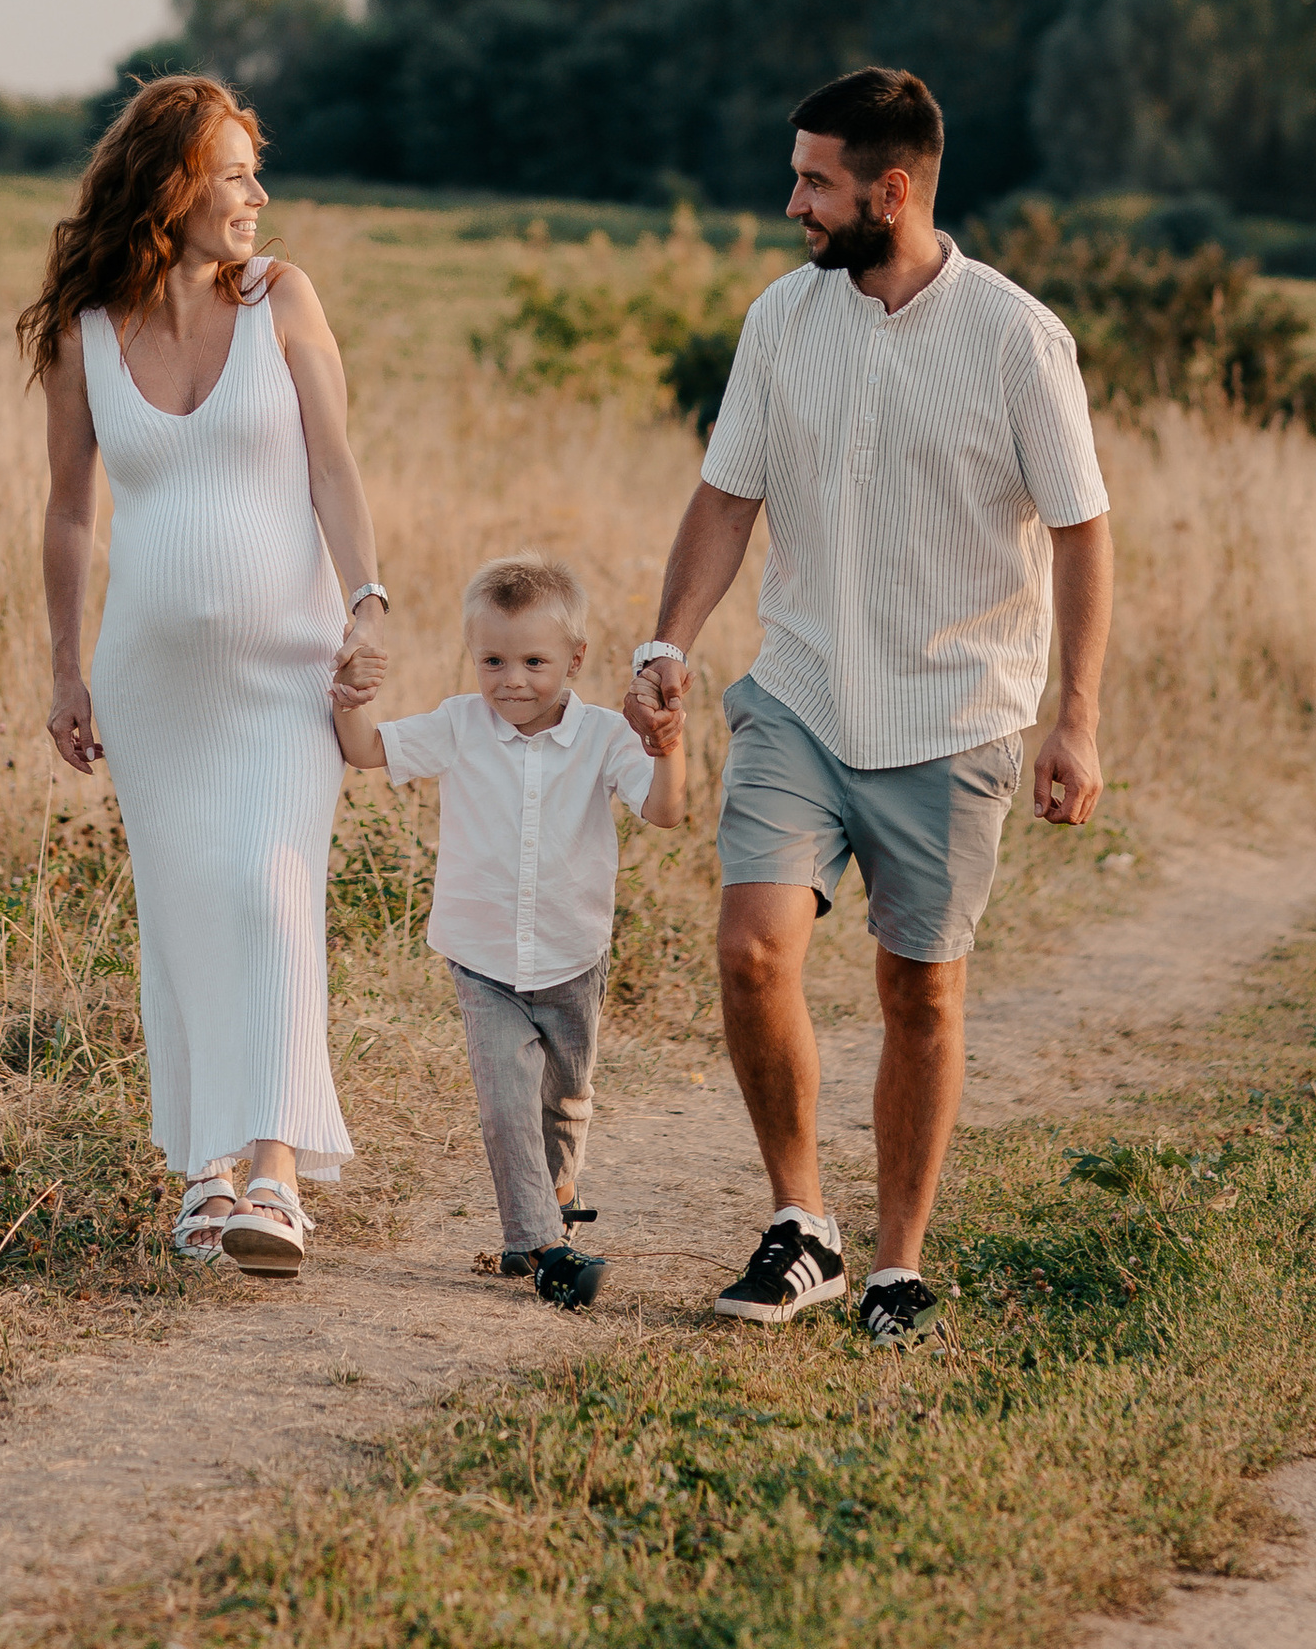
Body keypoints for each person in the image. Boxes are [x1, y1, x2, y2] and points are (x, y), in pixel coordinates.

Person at [626, 66, 1113, 1351]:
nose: (791, 202)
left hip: (955, 715)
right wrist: (668, 639)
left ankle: (895, 1262)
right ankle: (804, 1228)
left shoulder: (1016, 338)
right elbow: (727, 498)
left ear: (888, 192)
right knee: (749, 950)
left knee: (921, 993)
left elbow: (1080, 530)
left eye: (814, 182)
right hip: (799, 694)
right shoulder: (782, 322)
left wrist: (1077, 719)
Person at [22, 74, 390, 1277]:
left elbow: (333, 468)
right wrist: (66, 668)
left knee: (272, 890)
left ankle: (275, 1178)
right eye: (234, 174)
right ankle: (202, 1177)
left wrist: (367, 601)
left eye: (252, 171)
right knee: (182, 913)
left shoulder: (284, 300)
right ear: (172, 188)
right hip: (150, 688)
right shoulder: (87, 333)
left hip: (289, 672)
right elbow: (70, 515)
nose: (257, 194)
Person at [336, 556, 689, 1309]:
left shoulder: (603, 737)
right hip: (482, 957)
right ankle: (543, 1247)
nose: (512, 681)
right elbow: (367, 751)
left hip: (571, 955)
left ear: (575, 660)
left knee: (564, 1099)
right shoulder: (461, 724)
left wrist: (668, 748)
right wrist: (349, 699)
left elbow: (663, 811)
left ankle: (555, 1195)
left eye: (534, 662)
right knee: (504, 1104)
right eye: (493, 661)